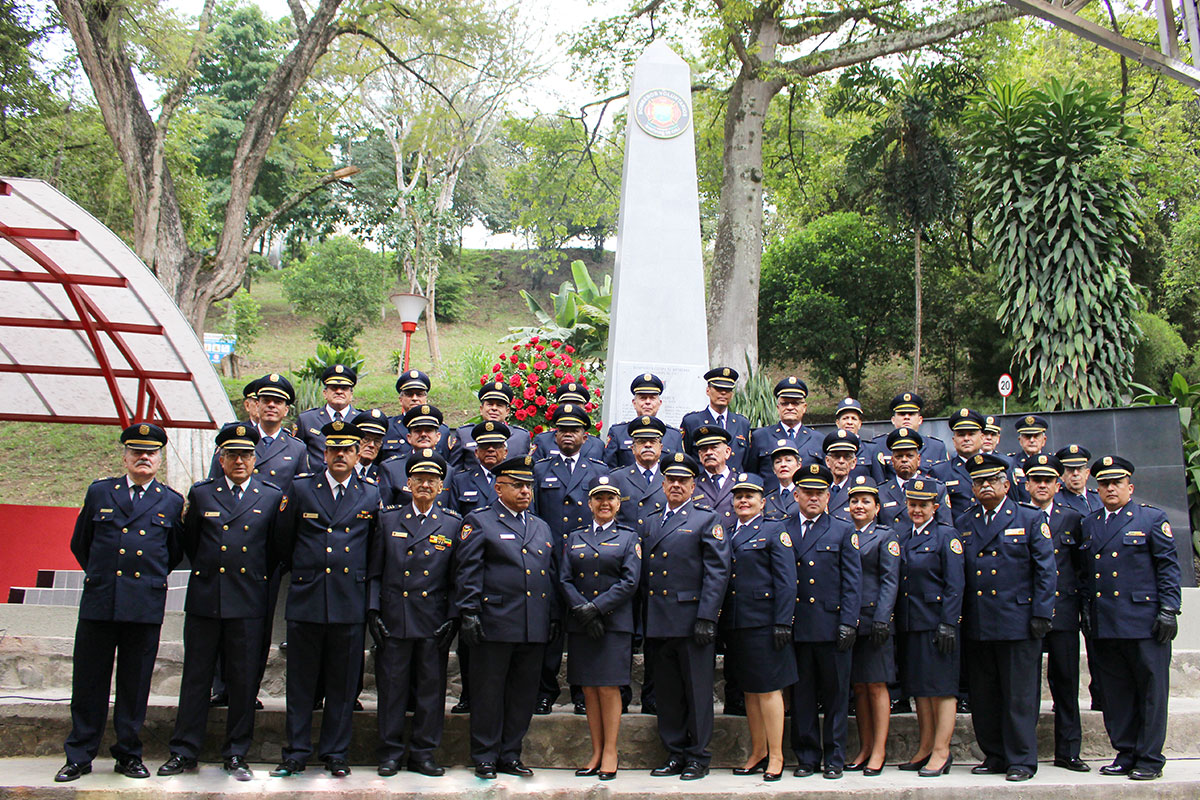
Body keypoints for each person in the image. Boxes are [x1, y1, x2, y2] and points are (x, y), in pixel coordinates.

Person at [56, 424, 185, 784]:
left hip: (143, 605)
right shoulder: (100, 493)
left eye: (151, 452)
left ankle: (128, 753)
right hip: (101, 601)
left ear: (160, 458)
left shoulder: (172, 501)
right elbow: (82, 543)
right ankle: (79, 755)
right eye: (137, 452)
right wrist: (105, 576)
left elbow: (173, 552)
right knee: (88, 682)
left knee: (135, 683)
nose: (144, 458)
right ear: (125, 456)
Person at [158, 423, 282, 782]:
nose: (239, 461)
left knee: (243, 681)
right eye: (232, 455)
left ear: (255, 459)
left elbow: (275, 550)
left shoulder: (271, 496)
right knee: (196, 678)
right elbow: (193, 544)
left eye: (245, 454)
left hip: (247, 600)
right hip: (207, 597)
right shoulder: (202, 494)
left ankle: (236, 752)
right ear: (221, 458)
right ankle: (184, 750)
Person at [271, 420, 379, 779]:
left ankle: (336, 752)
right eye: (333, 450)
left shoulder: (370, 493)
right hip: (308, 596)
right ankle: (296, 751)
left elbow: (374, 549)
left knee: (343, 684)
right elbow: (283, 541)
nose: (340, 456)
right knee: (300, 683)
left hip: (349, 600)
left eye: (347, 450)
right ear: (324, 452)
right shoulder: (302, 489)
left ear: (357, 453)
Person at [455, 455, 560, 779]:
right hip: (495, 622)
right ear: (498, 487)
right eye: (517, 485)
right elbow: (468, 571)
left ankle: (510, 754)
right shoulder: (480, 521)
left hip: (532, 624)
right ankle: (485, 755)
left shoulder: (540, 526)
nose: (525, 491)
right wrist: (470, 611)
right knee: (489, 693)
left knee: (522, 694)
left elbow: (550, 575)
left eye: (528, 485)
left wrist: (553, 616)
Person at [1081, 455, 1181, 781]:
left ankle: (1150, 758)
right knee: (1116, 692)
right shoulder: (1090, 523)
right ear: (1097, 489)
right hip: (1106, 622)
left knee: (1151, 692)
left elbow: (1167, 568)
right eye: (1105, 484)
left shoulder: (1151, 519)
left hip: (1144, 621)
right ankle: (1125, 752)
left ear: (1130, 487)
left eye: (1117, 483)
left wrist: (1169, 609)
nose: (1110, 488)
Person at [958, 452, 1055, 782]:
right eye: (978, 482)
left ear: (1005, 483)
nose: (984, 486)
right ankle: (995, 753)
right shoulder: (965, 522)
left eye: (990, 480)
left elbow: (1045, 570)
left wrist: (1042, 612)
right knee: (984, 695)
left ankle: (1022, 759)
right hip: (979, 620)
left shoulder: (1028, 518)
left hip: (1017, 620)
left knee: (1019, 695)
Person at [368, 449, 460, 778]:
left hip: (432, 619)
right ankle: (390, 752)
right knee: (392, 688)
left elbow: (456, 578)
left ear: (441, 486)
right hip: (395, 615)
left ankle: (423, 753)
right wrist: (373, 609)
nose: (425, 484)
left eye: (432, 479)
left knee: (430, 690)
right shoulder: (389, 518)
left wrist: (453, 617)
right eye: (419, 478)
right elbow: (375, 570)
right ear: (408, 483)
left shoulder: (452, 523)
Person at [643, 452, 730, 781]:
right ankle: (675, 752)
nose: (676, 485)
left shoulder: (706, 520)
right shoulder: (651, 521)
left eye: (683, 481)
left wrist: (708, 617)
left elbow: (717, 572)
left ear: (694, 486)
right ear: (662, 483)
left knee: (696, 691)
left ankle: (698, 755)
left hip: (693, 620)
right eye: (671, 480)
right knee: (667, 693)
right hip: (660, 619)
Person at [559, 475, 641, 780]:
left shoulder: (629, 537)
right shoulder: (575, 536)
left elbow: (630, 581)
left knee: (608, 687)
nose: (604, 504)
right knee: (589, 689)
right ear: (589, 503)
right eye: (598, 498)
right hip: (582, 625)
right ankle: (595, 750)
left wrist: (596, 608)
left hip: (613, 624)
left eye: (610, 499)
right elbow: (564, 579)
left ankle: (611, 751)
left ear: (618, 504)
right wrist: (582, 610)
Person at [784, 462, 862, 780]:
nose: (813, 498)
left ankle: (835, 757)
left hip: (832, 626)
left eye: (819, 492)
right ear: (797, 494)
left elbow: (853, 582)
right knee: (802, 696)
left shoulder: (843, 530)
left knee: (835, 695)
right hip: (798, 626)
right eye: (807, 492)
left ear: (828, 495)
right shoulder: (783, 528)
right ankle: (806, 756)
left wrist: (849, 622)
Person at [531, 403, 609, 714]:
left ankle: (581, 692)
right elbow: (534, 515)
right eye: (562, 430)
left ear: (585, 436)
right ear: (555, 433)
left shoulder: (599, 470)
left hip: (585, 562)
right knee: (550, 627)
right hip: (549, 561)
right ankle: (545, 691)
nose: (567, 435)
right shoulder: (540, 469)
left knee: (582, 628)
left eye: (574, 430)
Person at [721, 473, 796, 782]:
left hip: (766, 622)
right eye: (738, 495)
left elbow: (787, 581)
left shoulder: (774, 531)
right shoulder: (725, 532)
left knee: (769, 690)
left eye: (750, 495)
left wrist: (782, 621)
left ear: (763, 502)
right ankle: (758, 751)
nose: (743, 500)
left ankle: (776, 755)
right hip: (738, 623)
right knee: (750, 691)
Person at [1022, 454, 1089, 772]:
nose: (1043, 485)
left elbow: (1081, 568)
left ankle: (1069, 751)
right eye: (1037, 480)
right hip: (1025, 614)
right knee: (1026, 685)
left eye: (1048, 480)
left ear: (1057, 483)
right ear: (1027, 484)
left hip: (1062, 611)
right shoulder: (1017, 516)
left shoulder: (1072, 518)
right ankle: (1025, 751)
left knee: (1065, 682)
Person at [894, 477, 964, 777]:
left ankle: (941, 750)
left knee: (942, 688)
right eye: (912, 505)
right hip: (913, 622)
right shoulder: (904, 536)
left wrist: (949, 622)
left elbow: (955, 584)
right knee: (920, 689)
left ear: (936, 507)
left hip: (937, 623)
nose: (917, 510)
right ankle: (924, 747)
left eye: (923, 505)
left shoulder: (946, 536)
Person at [444, 420, 508, 715]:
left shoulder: (516, 480)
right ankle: (468, 693)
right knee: (469, 636)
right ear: (475, 450)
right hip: (469, 568)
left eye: (496, 446)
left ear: (505, 450)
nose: (491, 451)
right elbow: (452, 520)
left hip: (504, 570)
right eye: (485, 447)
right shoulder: (460, 479)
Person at [844, 475, 899, 776]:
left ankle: (879, 749)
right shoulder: (844, 533)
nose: (859, 506)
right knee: (860, 687)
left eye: (866, 501)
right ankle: (865, 747)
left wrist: (883, 617)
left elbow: (890, 580)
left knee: (877, 685)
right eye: (854, 501)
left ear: (877, 507)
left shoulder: (885, 536)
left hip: (875, 619)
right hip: (851, 621)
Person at [745, 377, 819, 486]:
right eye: (785, 403)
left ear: (804, 407)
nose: (790, 407)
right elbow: (752, 475)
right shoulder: (760, 437)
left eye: (795, 403)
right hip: (771, 501)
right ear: (778, 407)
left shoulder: (818, 439)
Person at [378, 405, 454, 507]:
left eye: (429, 430)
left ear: (438, 437)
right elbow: (384, 514)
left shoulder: (448, 471)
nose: (423, 434)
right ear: (409, 438)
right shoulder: (391, 469)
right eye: (417, 431)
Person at [602, 373, 684, 468]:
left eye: (652, 398)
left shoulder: (674, 435)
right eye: (643, 398)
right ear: (634, 403)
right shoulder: (618, 432)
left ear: (659, 403)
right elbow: (608, 468)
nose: (648, 402)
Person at [876, 428, 951, 530]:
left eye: (910, 456)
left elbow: (945, 528)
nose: (904, 460)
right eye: (899, 456)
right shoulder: (881, 492)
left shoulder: (936, 488)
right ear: (892, 461)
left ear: (918, 459)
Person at [680, 367, 751, 472]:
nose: (723, 393)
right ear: (708, 390)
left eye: (727, 390)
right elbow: (686, 457)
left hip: (734, 484)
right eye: (718, 388)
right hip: (703, 485)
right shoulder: (692, 421)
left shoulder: (742, 423)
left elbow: (746, 461)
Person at [449, 381, 530, 471]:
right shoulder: (465, 434)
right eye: (490, 404)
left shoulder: (521, 437)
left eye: (499, 405)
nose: (494, 408)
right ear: (481, 409)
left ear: (507, 411)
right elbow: (454, 472)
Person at [867, 393, 949, 481]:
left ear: (920, 420)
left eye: (911, 414)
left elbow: (943, 478)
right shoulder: (878, 445)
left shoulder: (936, 447)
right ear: (893, 420)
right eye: (902, 414)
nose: (906, 417)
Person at [606, 415, 667, 529]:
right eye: (642, 441)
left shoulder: (670, 478)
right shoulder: (617, 478)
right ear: (633, 448)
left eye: (653, 441)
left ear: (661, 447)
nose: (648, 445)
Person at [295, 364, 358, 472]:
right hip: (314, 483)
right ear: (325, 393)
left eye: (344, 388)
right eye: (334, 388)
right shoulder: (307, 419)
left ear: (351, 394)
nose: (339, 391)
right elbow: (296, 453)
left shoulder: (361, 420)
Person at [379, 370, 452, 462]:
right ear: (400, 399)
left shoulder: (442, 430)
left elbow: (448, 465)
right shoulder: (388, 427)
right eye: (409, 394)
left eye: (419, 394)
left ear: (426, 398)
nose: (414, 398)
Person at [930, 408, 987, 516]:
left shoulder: (997, 467)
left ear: (982, 437)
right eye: (961, 434)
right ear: (953, 440)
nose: (966, 439)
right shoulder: (940, 471)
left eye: (971, 434)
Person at [530, 382, 605, 461]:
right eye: (566, 404)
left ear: (584, 410)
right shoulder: (543, 441)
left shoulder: (597, 445)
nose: (571, 408)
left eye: (576, 405)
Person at [691, 425, 736, 528]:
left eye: (714, 448)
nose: (709, 453)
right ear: (699, 455)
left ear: (727, 452)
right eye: (704, 449)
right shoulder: (692, 485)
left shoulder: (740, 482)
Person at [1008, 415, 1049, 503]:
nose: (1032, 440)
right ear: (1020, 440)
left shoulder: (1053, 463)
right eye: (1027, 436)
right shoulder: (1010, 463)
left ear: (1044, 440)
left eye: (1036, 436)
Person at [823, 429, 861, 518]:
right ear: (827, 461)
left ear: (853, 462)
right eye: (836, 456)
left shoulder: (858, 490)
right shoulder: (819, 489)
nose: (841, 461)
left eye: (847, 457)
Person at [1056, 444, 1101, 515]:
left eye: (1079, 469)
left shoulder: (1098, 497)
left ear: (1087, 473)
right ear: (1062, 475)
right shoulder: (1056, 500)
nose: (1075, 473)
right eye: (1070, 470)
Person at [763, 440, 799, 520]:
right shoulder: (768, 499)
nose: (783, 465)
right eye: (778, 462)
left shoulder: (805, 494)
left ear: (798, 465)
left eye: (788, 460)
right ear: (774, 469)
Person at [351, 409, 388, 482]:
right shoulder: (342, 471)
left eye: (377, 441)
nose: (371, 445)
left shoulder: (384, 475)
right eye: (366, 439)